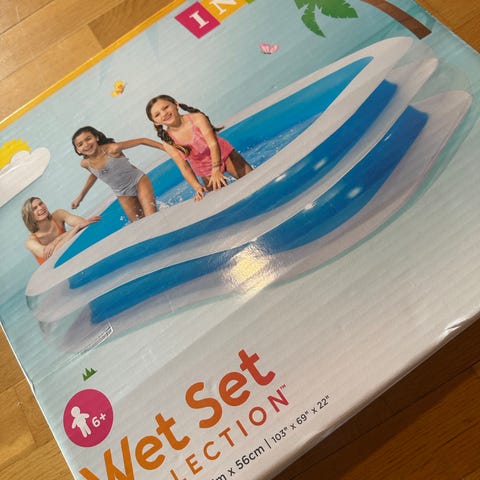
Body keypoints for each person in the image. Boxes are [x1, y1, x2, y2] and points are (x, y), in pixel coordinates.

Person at [145, 95, 252, 192]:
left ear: (176, 104)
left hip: (224, 155)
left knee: (250, 180)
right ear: (156, 122)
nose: (164, 114)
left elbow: (213, 144)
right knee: (220, 198)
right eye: (157, 115)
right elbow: (184, 167)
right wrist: (197, 187)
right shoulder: (168, 142)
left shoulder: (197, 118)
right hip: (204, 169)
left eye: (165, 107)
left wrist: (216, 169)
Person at [71, 126, 165, 221]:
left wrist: (167, 148)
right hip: (122, 194)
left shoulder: (112, 149)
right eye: (80, 144)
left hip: (138, 181)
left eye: (88, 139)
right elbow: (95, 174)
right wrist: (80, 197)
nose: (86, 144)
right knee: (139, 223)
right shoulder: (85, 163)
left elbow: (142, 140)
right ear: (78, 150)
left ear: (96, 138)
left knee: (151, 218)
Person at [22, 197, 101, 264]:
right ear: (29, 216)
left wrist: (55, 241)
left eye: (41, 203)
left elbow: (83, 223)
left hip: (71, 257)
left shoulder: (58, 215)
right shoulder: (30, 242)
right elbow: (53, 254)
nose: (40, 208)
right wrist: (76, 228)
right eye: (35, 208)